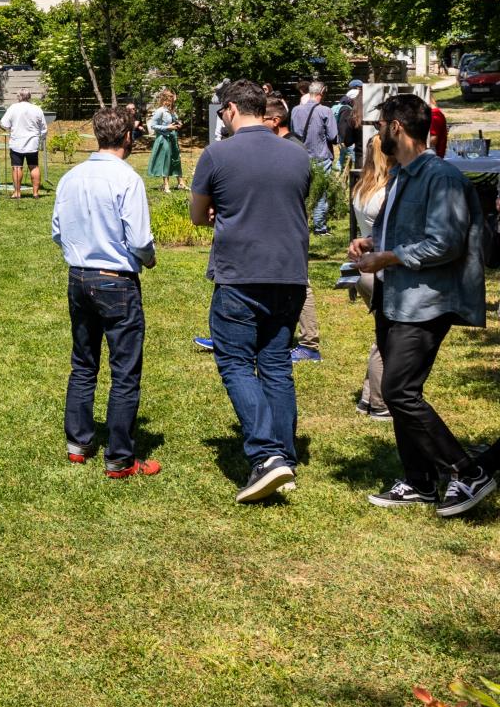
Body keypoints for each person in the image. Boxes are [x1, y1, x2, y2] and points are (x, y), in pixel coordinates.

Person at [350, 94, 493, 516]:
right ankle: (420, 482)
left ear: (396, 127)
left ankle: (467, 471)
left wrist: (388, 257)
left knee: (398, 389)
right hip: (395, 297)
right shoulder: (402, 177)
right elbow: (411, 233)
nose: (377, 134)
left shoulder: (440, 177)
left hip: (427, 301)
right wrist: (373, 244)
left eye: (379, 126)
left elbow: (445, 243)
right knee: (398, 394)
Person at [190, 79, 313, 503]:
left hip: (240, 274)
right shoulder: (298, 154)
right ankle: (286, 455)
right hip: (290, 274)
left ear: (229, 109)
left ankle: (265, 455)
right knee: (276, 364)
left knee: (237, 363)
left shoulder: (217, 154)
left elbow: (196, 215)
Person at [52, 107, 160, 479]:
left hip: (79, 276)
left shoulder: (71, 177)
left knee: (83, 363)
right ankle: (119, 457)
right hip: (116, 280)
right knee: (124, 371)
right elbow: (141, 239)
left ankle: (78, 443)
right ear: (128, 137)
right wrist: (148, 258)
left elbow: (56, 230)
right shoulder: (127, 179)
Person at [262, 96, 323, 364]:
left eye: (259, 118)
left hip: (288, 228)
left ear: (275, 121)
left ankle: (309, 344)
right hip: (278, 227)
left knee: (300, 283)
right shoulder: (282, 145)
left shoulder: (292, 149)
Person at [350, 138, 393, 420]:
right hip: (381, 270)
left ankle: (368, 398)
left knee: (383, 336)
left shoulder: (360, 189)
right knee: (387, 341)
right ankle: (379, 402)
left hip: (364, 271)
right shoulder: (386, 191)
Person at [290, 81, 339, 235]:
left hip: (299, 156)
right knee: (320, 193)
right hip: (321, 156)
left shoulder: (295, 110)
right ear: (322, 92)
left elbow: (293, 132)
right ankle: (320, 228)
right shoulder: (325, 111)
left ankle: (300, 226)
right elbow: (333, 136)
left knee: (300, 193)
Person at [0, 90, 47, 199]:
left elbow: (4, 123)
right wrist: (41, 138)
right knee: (34, 166)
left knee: (17, 167)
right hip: (32, 142)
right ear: (29, 97)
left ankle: (17, 192)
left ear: (19, 97)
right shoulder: (37, 109)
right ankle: (35, 193)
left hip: (17, 142)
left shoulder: (13, 108)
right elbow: (43, 128)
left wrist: (9, 128)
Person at [146, 89, 186, 193]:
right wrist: (167, 127)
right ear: (167, 99)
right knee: (166, 160)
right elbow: (153, 125)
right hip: (164, 138)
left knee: (176, 159)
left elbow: (174, 122)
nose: (175, 100)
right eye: (173, 98)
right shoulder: (160, 111)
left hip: (173, 137)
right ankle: (166, 185)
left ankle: (180, 183)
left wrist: (178, 124)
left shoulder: (172, 110)